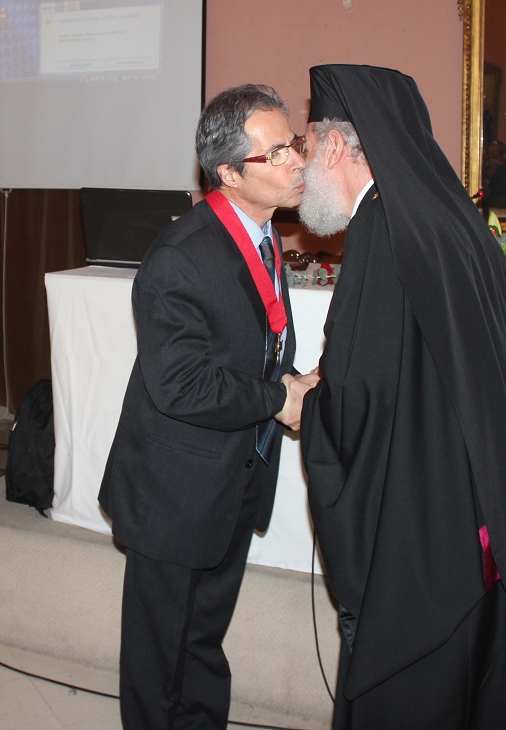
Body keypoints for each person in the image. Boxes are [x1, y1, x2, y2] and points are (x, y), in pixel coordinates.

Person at [296, 64, 506, 729]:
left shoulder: (382, 232)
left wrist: (307, 406)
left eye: (306, 145)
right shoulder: (445, 222)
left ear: (335, 145)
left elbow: (359, 402)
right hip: (473, 524)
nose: (302, 165)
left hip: (420, 546)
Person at [99, 83, 315, 729]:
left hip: (233, 476)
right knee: (159, 654)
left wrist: (296, 383)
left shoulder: (261, 234)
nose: (297, 161)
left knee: (202, 641)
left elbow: (252, 346)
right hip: (176, 490)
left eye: (293, 143)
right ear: (228, 173)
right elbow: (181, 384)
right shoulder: (181, 256)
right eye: (276, 153)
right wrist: (278, 398)